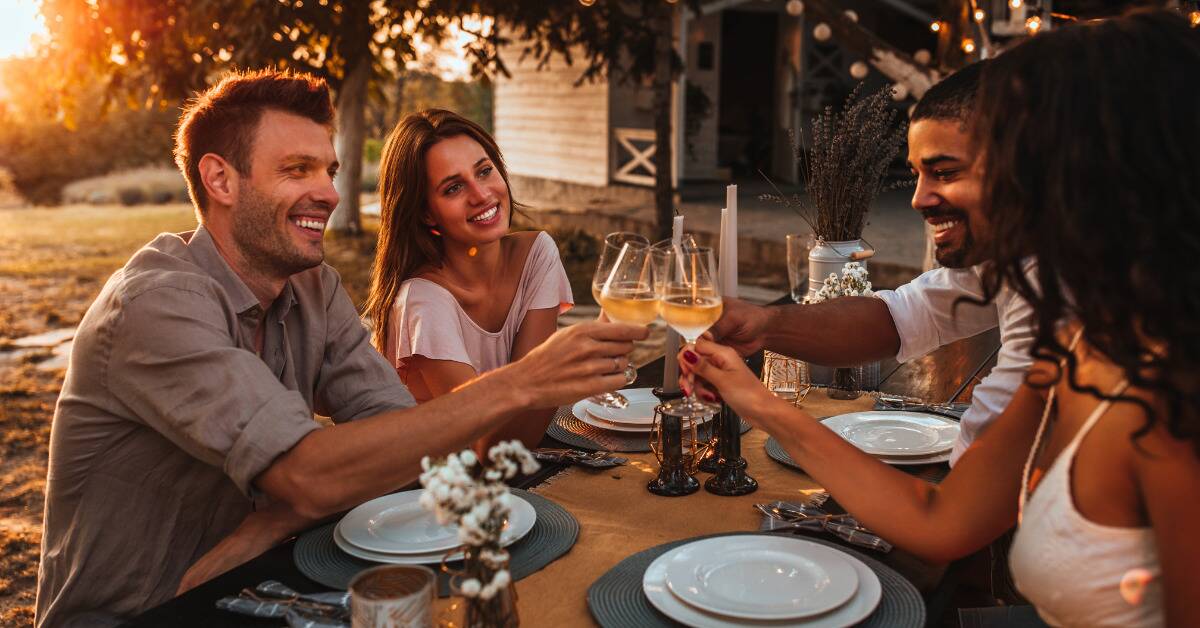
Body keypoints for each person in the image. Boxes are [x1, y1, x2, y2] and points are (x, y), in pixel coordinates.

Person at [34, 70, 646, 628]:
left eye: (328, 170)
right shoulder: (155, 304)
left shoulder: (314, 288)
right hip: (146, 612)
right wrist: (522, 382)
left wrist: (277, 520)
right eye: (297, 170)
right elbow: (309, 474)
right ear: (220, 179)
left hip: (264, 579)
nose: (327, 193)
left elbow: (406, 435)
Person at [681, 10, 1200, 626]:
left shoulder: (1169, 398)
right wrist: (761, 369)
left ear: (1103, 173)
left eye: (1018, 153)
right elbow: (941, 519)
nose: (921, 197)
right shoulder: (1080, 343)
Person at [706, 60, 1034, 465]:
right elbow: (904, 315)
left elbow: (953, 519)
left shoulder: (1056, 294)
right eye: (916, 175)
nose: (918, 199)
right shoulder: (1014, 260)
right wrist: (764, 324)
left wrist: (761, 406)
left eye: (945, 172)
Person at [364, 110, 572, 453]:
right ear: (425, 213)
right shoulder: (422, 300)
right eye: (454, 187)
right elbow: (490, 449)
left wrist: (549, 376)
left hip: (499, 472)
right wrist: (561, 371)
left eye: (484, 171)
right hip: (421, 488)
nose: (481, 195)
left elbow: (525, 400)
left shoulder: (537, 254)